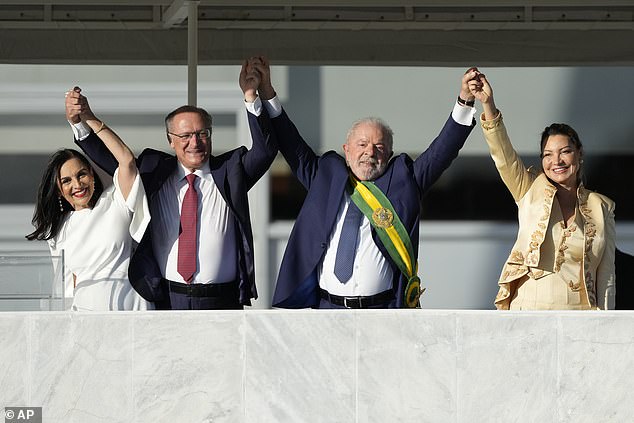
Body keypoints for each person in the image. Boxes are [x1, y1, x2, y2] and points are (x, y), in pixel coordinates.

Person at [247, 57, 477, 308]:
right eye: (362, 144)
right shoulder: (325, 176)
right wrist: (266, 92)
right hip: (327, 310)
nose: (370, 152)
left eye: (379, 147)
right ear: (347, 150)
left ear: (389, 156)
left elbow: (441, 151)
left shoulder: (404, 180)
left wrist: (465, 100)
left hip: (381, 312)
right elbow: (290, 142)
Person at [71, 62, 277, 310]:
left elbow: (265, 151)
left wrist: (251, 97)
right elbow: (114, 162)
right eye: (186, 136)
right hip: (168, 298)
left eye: (202, 134)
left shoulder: (231, 171)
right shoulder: (154, 171)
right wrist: (81, 123)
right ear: (170, 140)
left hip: (222, 300)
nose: (195, 142)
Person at [469, 71, 616, 310]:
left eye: (565, 152)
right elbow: (504, 156)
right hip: (528, 309)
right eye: (548, 154)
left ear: (579, 155)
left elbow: (606, 277)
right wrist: (488, 104)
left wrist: (607, 325)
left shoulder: (602, 207)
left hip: (580, 316)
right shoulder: (529, 188)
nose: (556, 161)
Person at [26, 88, 151, 311]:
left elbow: (126, 160)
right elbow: (64, 287)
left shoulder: (115, 201)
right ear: (58, 190)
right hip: (85, 316)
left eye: (81, 174)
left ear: (92, 175)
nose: (77, 184)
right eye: (66, 181)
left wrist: (87, 118)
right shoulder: (57, 229)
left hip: (131, 310)